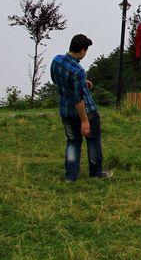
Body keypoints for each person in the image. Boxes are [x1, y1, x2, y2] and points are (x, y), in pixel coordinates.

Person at [50, 34, 111, 182]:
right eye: (86, 50)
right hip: (85, 112)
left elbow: (56, 79)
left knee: (73, 142)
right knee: (93, 141)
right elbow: (78, 100)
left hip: (65, 110)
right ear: (82, 50)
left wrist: (83, 83)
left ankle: (70, 176)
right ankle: (96, 173)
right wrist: (84, 120)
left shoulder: (57, 60)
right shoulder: (78, 71)